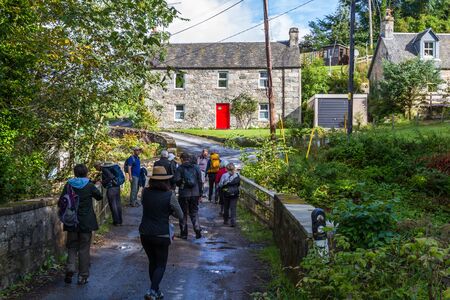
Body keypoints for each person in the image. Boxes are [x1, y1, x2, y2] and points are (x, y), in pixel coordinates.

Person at [140, 166, 184, 300]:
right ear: (166, 181)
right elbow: (180, 215)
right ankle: (152, 291)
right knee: (160, 264)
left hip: (145, 232)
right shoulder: (169, 195)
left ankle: (156, 291)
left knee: (152, 262)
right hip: (161, 233)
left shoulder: (145, 192)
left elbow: (145, 205)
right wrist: (169, 212)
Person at [61, 164, 103, 285]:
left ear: (75, 173)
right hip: (86, 222)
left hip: (72, 221)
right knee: (84, 249)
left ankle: (70, 268)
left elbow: (61, 200)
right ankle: (82, 276)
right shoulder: (89, 185)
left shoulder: (69, 185)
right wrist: (95, 186)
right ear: (86, 173)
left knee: (72, 246)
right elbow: (99, 197)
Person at [174, 152, 203, 239]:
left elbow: (177, 181)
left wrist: (182, 183)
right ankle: (197, 230)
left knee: (183, 213)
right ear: (189, 158)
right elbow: (200, 181)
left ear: (182, 159)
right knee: (194, 212)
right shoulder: (196, 167)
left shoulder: (180, 168)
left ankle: (184, 234)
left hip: (184, 194)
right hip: (195, 193)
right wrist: (200, 194)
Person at [219, 163, 240, 227]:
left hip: (226, 193)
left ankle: (226, 220)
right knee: (233, 208)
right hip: (235, 193)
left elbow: (220, 184)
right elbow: (238, 184)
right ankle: (233, 222)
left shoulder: (224, 175)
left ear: (227, 169)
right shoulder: (237, 175)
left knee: (226, 207)